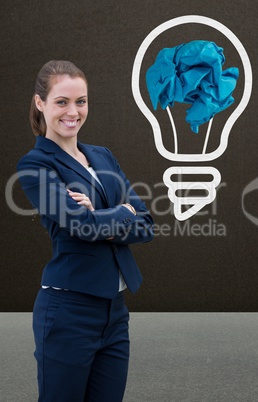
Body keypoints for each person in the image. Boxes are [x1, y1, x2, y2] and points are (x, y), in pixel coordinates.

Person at [17, 60, 154, 402]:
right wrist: (122, 211)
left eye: (81, 101)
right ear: (40, 104)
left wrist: (105, 215)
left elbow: (147, 224)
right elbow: (82, 226)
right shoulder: (36, 165)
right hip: (68, 311)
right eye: (62, 101)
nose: (73, 112)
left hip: (115, 312)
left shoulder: (102, 157)